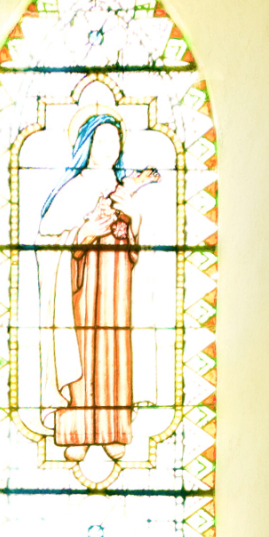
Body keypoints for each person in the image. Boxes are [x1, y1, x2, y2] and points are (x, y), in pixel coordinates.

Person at [38, 114, 158, 461]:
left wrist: (135, 217)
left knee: (114, 353)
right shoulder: (71, 191)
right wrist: (83, 234)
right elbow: (47, 243)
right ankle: (77, 431)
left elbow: (143, 252)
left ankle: (113, 429)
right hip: (80, 290)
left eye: (114, 141)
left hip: (118, 289)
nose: (109, 148)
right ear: (85, 146)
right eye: (101, 140)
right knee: (81, 351)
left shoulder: (123, 191)